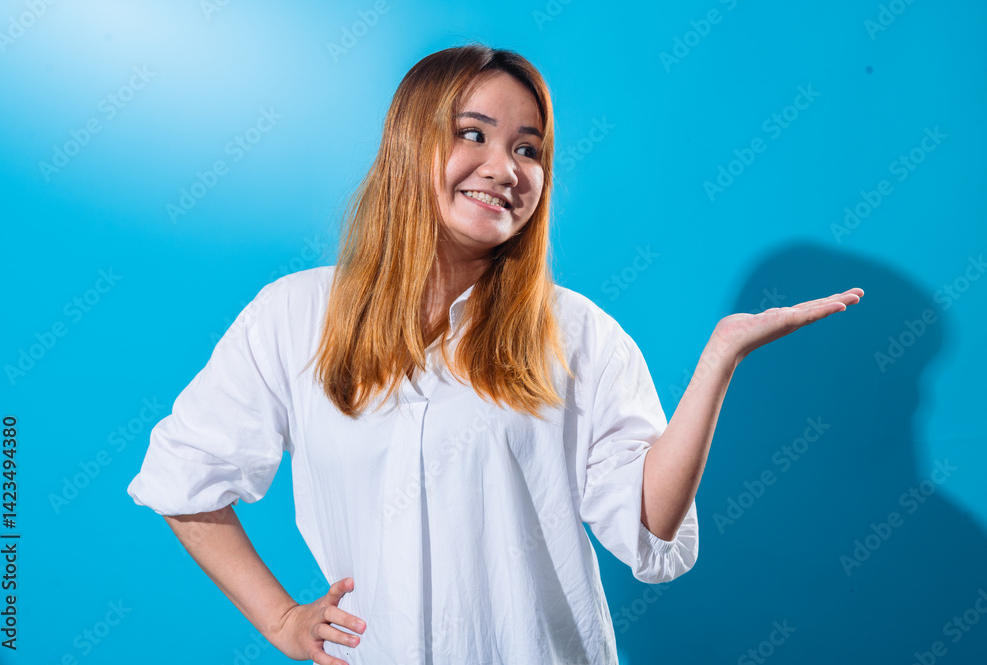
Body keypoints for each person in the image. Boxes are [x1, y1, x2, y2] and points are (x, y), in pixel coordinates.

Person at [126, 43, 863, 664]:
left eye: (528, 148)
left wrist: (718, 363)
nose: (505, 167)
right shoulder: (295, 315)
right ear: (411, 143)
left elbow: (649, 529)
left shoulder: (578, 334)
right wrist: (284, 620)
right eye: (472, 133)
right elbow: (183, 478)